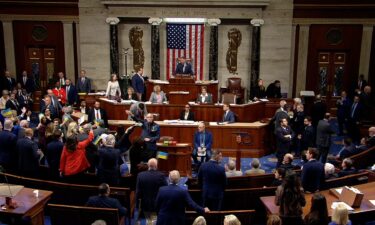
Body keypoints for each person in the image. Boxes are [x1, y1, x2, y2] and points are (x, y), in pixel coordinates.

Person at [136, 158, 168, 223]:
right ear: (156, 166)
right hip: (158, 204)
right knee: (155, 221)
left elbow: (138, 192)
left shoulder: (140, 175)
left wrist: (137, 205)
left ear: (148, 165)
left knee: (148, 220)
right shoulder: (161, 175)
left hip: (145, 204)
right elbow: (165, 190)